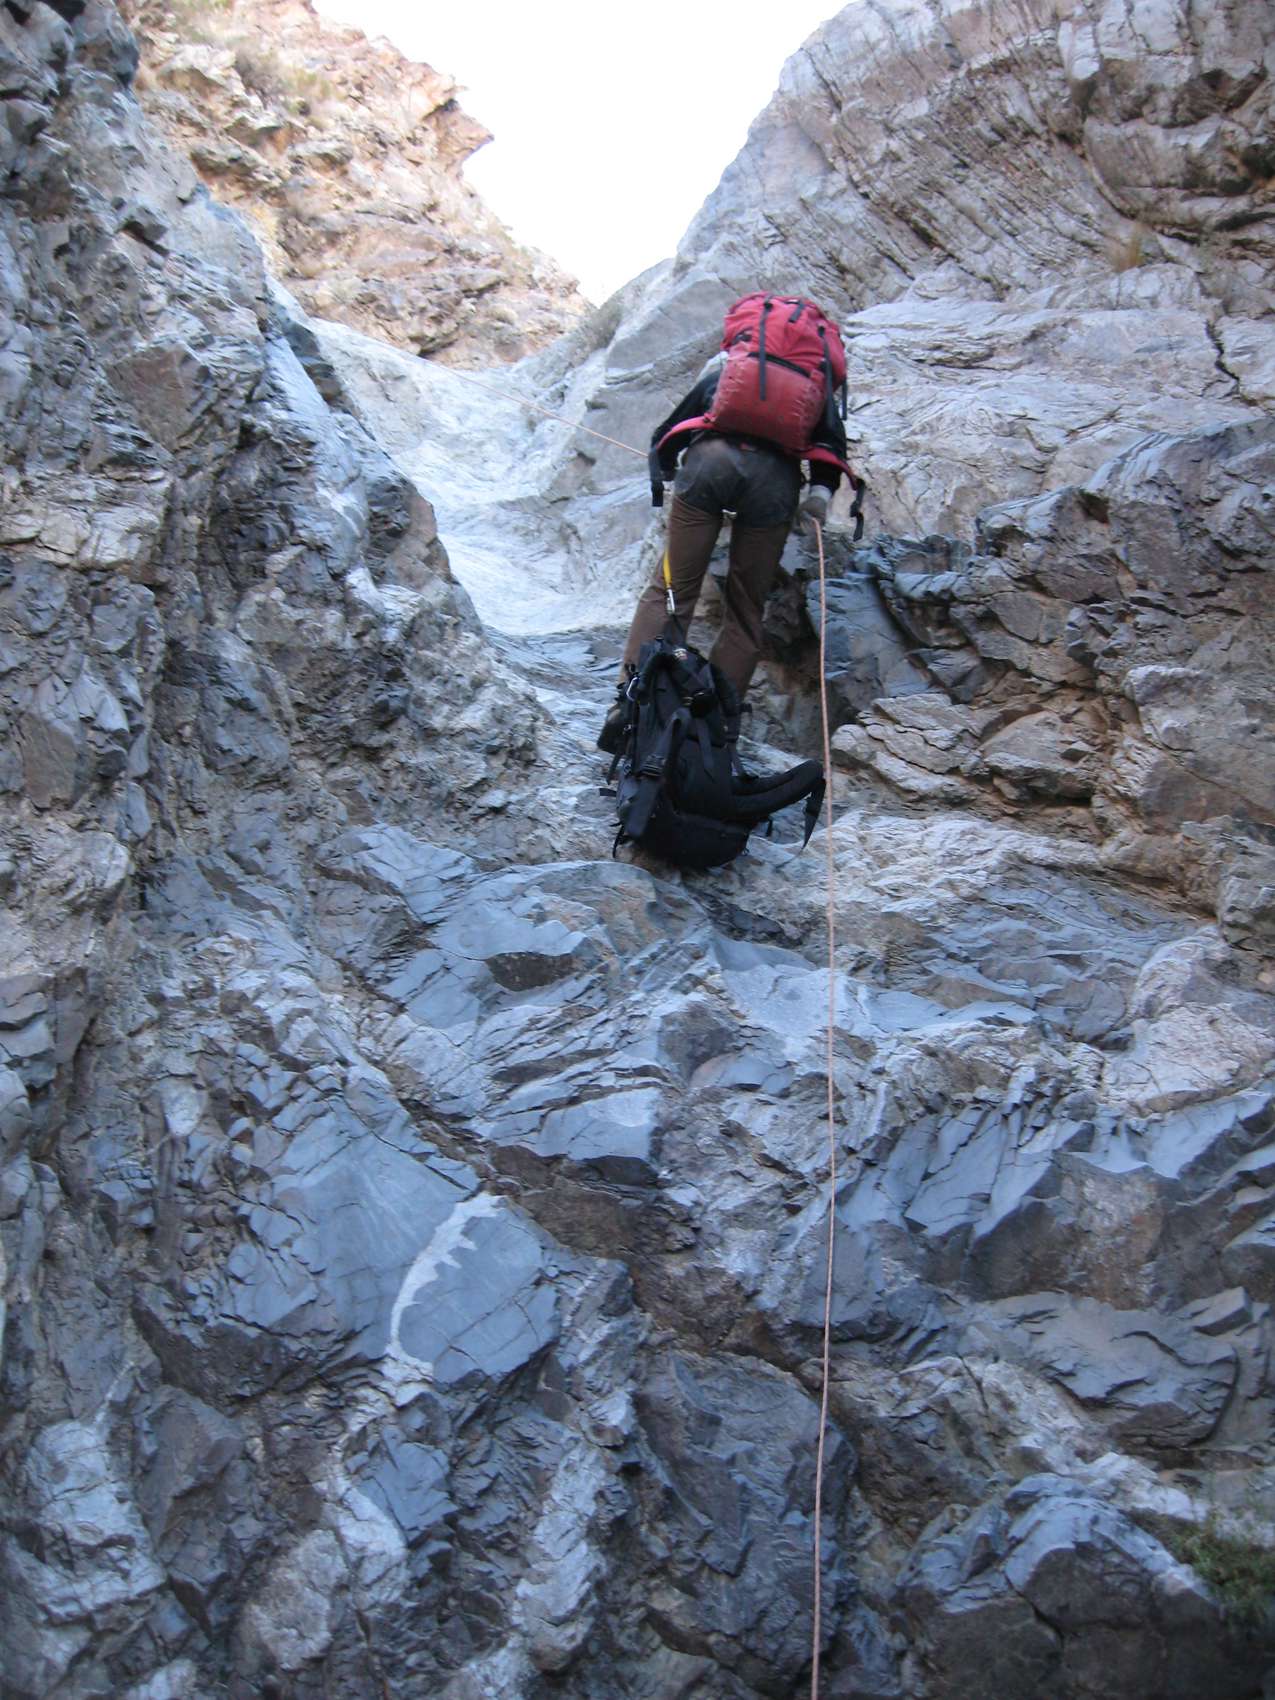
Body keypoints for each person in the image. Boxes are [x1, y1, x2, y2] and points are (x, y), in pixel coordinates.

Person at [598, 336, 852, 753]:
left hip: (707, 467)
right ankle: (709, 730)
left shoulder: (731, 374)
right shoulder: (814, 390)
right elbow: (831, 455)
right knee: (745, 610)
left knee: (670, 591)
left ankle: (632, 704)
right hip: (774, 485)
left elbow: (667, 435)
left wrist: (668, 473)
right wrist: (818, 499)